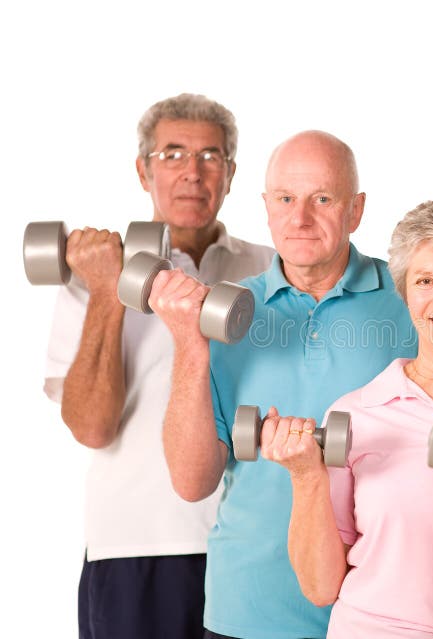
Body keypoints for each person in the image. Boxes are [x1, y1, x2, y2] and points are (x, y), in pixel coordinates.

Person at [148, 130, 418, 639]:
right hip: (248, 614)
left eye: (322, 199)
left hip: (381, 614)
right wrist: (189, 344)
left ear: (355, 210)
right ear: (267, 207)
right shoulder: (222, 314)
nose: (301, 218)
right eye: (286, 199)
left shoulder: (412, 305)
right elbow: (191, 482)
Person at [43, 93, 275, 639]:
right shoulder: (90, 274)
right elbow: (91, 427)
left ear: (232, 173)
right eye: (172, 154)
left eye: (210, 156)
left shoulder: (271, 270)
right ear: (143, 171)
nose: (192, 173)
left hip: (253, 544)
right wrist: (107, 288)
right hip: (136, 547)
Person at [259, 199, 433, 638]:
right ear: (406, 295)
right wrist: (305, 475)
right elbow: (319, 588)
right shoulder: (354, 414)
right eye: (425, 280)